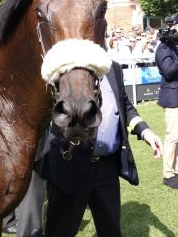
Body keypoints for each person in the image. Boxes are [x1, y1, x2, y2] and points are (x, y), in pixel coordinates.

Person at [38, 60, 163, 237]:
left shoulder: (114, 68)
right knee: (60, 230)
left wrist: (145, 131)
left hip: (107, 167)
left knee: (110, 230)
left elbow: (124, 104)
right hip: (71, 165)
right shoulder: (66, 66)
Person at [155, 12, 178, 189]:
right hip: (172, 98)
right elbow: (169, 71)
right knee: (173, 137)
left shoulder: (174, 47)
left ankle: (175, 170)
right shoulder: (163, 48)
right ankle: (168, 175)